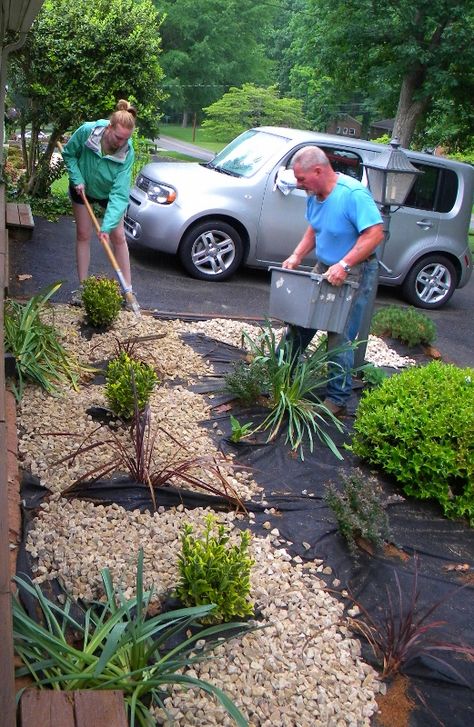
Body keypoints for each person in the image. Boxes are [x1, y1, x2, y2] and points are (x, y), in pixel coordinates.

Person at [281, 145, 384, 417]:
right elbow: (315, 228)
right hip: (326, 266)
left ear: (318, 170)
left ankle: (337, 400)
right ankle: (279, 373)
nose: (298, 184)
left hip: (354, 270)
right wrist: (296, 255)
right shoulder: (314, 195)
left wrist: (345, 264)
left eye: (302, 179)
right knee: (301, 320)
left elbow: (374, 234)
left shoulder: (353, 195)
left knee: (339, 335)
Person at [62, 99, 137, 305]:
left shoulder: (127, 152)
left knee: (118, 236)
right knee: (83, 234)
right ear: (109, 127)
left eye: (126, 139)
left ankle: (128, 293)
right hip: (82, 187)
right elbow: (69, 154)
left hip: (108, 193)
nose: (121, 143)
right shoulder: (87, 131)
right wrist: (77, 178)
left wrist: (106, 226)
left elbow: (120, 194)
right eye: (118, 137)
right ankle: (83, 289)